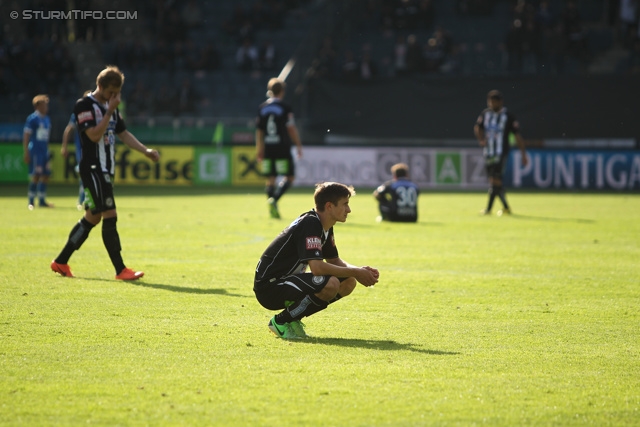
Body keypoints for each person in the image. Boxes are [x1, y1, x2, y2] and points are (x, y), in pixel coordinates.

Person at [50, 66, 160, 280]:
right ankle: (120, 270)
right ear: (100, 86)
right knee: (110, 214)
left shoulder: (111, 106)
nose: (114, 96)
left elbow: (123, 133)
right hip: (93, 168)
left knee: (93, 217)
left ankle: (61, 261)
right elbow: (92, 135)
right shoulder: (84, 105)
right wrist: (109, 110)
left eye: (117, 93)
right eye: (111, 92)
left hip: (105, 169)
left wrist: (145, 151)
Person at [254, 182, 380, 339]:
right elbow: (317, 268)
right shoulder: (310, 223)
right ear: (329, 206)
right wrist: (356, 271)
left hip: (285, 282)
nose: (349, 210)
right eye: (345, 204)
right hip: (270, 287)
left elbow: (334, 260)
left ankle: (292, 319)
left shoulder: (324, 225)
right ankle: (281, 322)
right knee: (331, 283)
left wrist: (360, 271)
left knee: (348, 281)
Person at [474, 90, 529, 215]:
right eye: (490, 102)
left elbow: (517, 136)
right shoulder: (485, 114)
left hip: (501, 152)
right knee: (494, 182)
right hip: (488, 153)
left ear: (500, 102)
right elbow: (477, 127)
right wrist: (481, 139)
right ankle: (506, 208)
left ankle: (488, 210)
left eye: (494, 102)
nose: (491, 105)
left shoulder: (508, 116)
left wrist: (523, 154)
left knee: (495, 181)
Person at [255, 77, 303, 219]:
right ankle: (274, 200)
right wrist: (298, 145)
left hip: (268, 147)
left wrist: (259, 149)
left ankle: (272, 207)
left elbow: (259, 132)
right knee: (289, 176)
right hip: (282, 147)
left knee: (271, 178)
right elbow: (291, 129)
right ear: (282, 91)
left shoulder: (262, 108)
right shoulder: (285, 108)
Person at [61, 90, 91, 209]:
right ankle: (83, 199)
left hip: (93, 150)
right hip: (82, 149)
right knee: (84, 173)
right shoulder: (78, 114)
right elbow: (69, 130)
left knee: (90, 174)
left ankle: (87, 200)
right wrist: (64, 146)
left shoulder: (97, 112)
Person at [23, 94, 53, 209]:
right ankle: (31, 201)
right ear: (38, 106)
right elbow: (26, 135)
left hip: (44, 150)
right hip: (35, 150)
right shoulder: (32, 119)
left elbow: (46, 137)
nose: (46, 107)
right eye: (44, 105)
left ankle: (41, 200)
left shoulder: (47, 119)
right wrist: (26, 152)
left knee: (46, 175)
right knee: (36, 175)